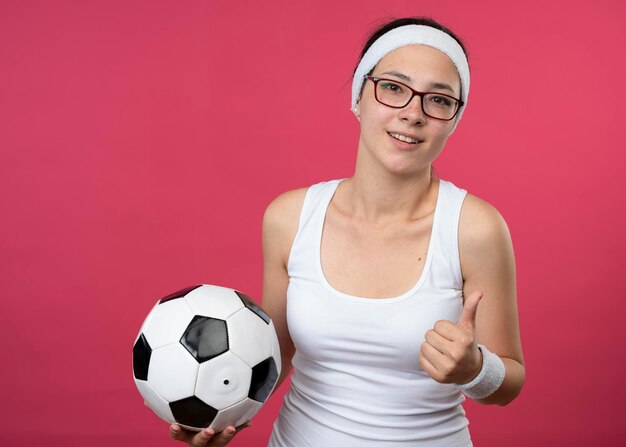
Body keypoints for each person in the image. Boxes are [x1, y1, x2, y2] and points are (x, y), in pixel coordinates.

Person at [169, 16, 525, 447]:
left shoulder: (476, 228)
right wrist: (215, 411)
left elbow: (510, 379)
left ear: (453, 119)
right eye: (393, 88)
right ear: (359, 97)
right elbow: (270, 356)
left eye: (439, 100)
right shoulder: (290, 217)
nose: (413, 113)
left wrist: (476, 369)